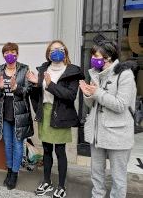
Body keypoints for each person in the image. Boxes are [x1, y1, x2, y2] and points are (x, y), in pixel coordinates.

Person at [79, 41, 137, 198]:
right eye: (92, 55)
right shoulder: (96, 74)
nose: (92, 58)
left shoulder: (125, 75)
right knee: (96, 175)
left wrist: (97, 92)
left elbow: (120, 105)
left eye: (95, 55)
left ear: (108, 56)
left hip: (118, 135)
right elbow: (91, 105)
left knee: (118, 178)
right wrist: (87, 94)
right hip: (97, 134)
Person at [27, 40, 83, 198]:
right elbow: (39, 93)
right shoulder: (43, 69)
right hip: (45, 112)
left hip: (61, 114)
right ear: (48, 53)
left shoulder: (72, 71)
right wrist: (34, 84)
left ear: (65, 51)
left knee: (60, 151)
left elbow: (70, 96)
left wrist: (50, 84)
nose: (56, 51)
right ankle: (47, 181)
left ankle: (61, 185)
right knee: (46, 150)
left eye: (59, 49)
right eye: (53, 49)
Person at [0, 42, 33, 190]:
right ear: (3, 55)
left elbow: (28, 91)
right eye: (7, 52)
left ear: (17, 54)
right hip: (4, 114)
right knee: (8, 144)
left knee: (17, 145)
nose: (10, 55)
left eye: (13, 52)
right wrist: (1, 88)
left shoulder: (24, 69)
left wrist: (16, 88)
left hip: (19, 114)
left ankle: (15, 173)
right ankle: (9, 171)